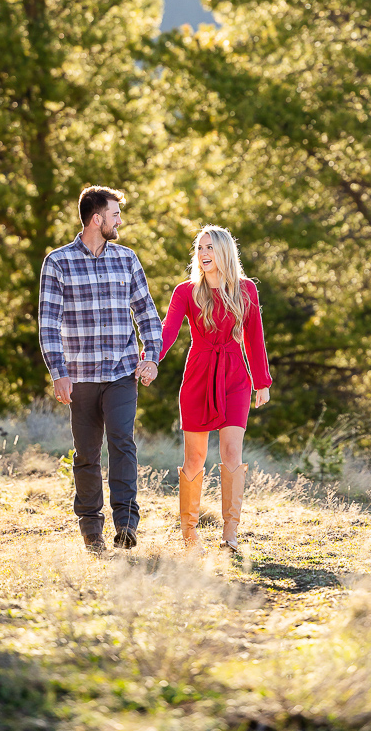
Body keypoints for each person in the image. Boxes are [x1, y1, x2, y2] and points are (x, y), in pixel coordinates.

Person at [38, 185, 161, 555]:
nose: (119, 220)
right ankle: (92, 530)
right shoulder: (58, 262)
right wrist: (58, 372)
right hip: (81, 377)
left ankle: (126, 525)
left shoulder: (127, 259)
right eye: (115, 214)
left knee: (123, 443)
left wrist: (151, 355)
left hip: (122, 372)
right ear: (97, 219)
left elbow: (147, 313)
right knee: (87, 454)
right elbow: (48, 323)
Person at [160, 225, 272, 551]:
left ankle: (230, 533)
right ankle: (189, 535)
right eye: (200, 248)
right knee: (195, 458)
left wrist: (261, 382)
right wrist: (150, 358)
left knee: (231, 452)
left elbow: (254, 339)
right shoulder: (186, 292)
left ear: (223, 252)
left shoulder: (246, 290)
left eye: (209, 248)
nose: (203, 254)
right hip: (198, 374)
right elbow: (168, 332)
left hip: (235, 376)